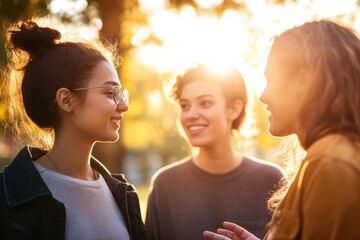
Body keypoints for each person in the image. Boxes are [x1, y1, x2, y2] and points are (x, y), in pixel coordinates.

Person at [203, 19, 360, 240]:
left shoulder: (329, 163)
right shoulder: (330, 156)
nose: (263, 96)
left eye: (270, 80)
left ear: (303, 80)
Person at [0, 20, 148, 240]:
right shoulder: (7, 196)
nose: (124, 106)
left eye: (121, 94)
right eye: (110, 93)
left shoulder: (124, 195)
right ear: (66, 100)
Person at [145, 64, 284, 240]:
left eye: (205, 103)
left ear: (233, 109)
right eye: (185, 105)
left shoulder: (272, 179)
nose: (191, 114)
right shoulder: (164, 185)